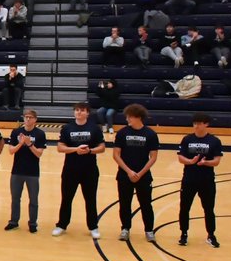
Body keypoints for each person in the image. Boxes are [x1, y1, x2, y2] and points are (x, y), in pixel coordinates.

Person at [52, 102, 106, 239]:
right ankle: (61, 225)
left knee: (90, 199)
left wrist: (90, 151)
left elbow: (102, 147)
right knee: (66, 199)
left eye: (82, 110)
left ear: (87, 113)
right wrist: (75, 150)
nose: (79, 112)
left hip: (90, 170)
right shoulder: (67, 128)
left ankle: (93, 227)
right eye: (76, 110)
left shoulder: (94, 128)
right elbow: (60, 147)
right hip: (70, 170)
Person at [112, 103, 159, 243]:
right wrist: (129, 171)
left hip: (143, 177)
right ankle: (125, 228)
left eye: (129, 117)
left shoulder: (150, 134)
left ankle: (149, 230)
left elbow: (154, 157)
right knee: (125, 203)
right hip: (124, 175)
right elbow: (116, 155)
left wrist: (140, 173)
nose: (127, 119)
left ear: (138, 117)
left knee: (146, 204)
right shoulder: (122, 133)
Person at [177, 112, 222, 248]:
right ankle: (184, 234)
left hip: (206, 180)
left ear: (206, 124)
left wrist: (205, 163)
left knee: (208, 209)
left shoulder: (214, 141)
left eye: (199, 123)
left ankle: (211, 235)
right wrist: (191, 161)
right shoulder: (187, 139)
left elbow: (217, 161)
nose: (196, 126)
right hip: (189, 179)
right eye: (194, 123)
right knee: (184, 208)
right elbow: (180, 158)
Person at [5, 109, 46, 233]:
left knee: (33, 199)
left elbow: (39, 154)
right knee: (15, 198)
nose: (28, 119)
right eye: (26, 117)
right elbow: (11, 151)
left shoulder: (39, 134)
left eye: (30, 117)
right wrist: (21, 143)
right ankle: (13, 221)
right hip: (17, 171)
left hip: (32, 172)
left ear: (35, 119)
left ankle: (33, 223)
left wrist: (29, 144)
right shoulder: (16, 132)